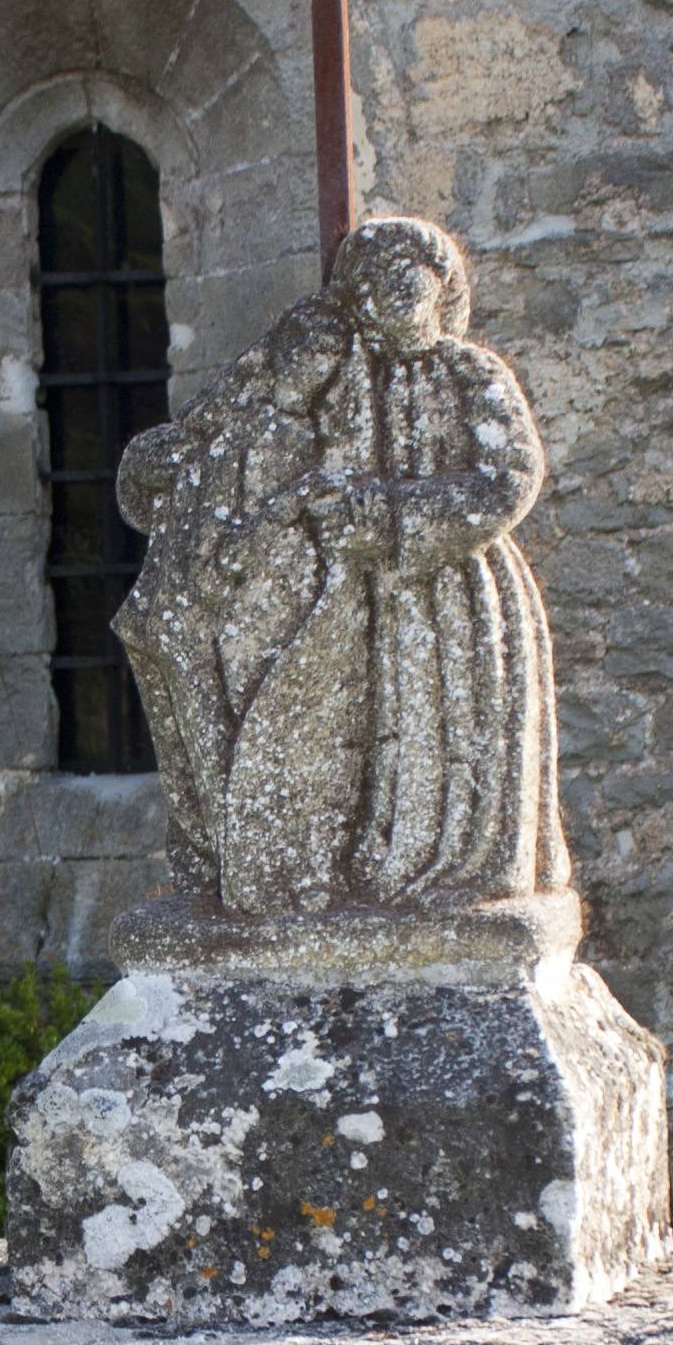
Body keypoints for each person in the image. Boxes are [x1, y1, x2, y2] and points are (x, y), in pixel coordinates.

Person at [113, 211, 572, 921]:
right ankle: (390, 868)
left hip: (454, 586)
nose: (386, 298)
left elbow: (510, 479)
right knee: (393, 735)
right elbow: (256, 426)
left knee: (453, 723)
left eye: (402, 283)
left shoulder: (471, 372)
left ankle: (466, 869)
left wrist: (387, 513)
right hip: (373, 591)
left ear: (437, 287)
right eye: (368, 288)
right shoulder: (346, 376)